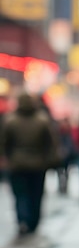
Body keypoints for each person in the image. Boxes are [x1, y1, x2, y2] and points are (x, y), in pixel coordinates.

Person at [0, 91, 61, 236]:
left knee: (20, 195)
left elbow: (3, 142)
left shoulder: (10, 120)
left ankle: (23, 220)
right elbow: (51, 143)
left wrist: (4, 158)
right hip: (38, 164)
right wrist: (51, 159)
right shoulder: (42, 120)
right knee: (36, 194)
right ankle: (33, 221)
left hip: (17, 164)